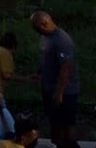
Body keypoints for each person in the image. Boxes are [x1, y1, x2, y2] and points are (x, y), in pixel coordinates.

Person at [32, 10, 78, 148]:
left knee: (66, 129)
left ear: (43, 24)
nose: (35, 31)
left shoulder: (62, 40)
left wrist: (59, 93)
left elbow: (66, 68)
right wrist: (39, 73)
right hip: (48, 88)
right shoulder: (45, 36)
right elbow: (45, 57)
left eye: (35, 27)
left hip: (65, 92)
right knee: (55, 125)